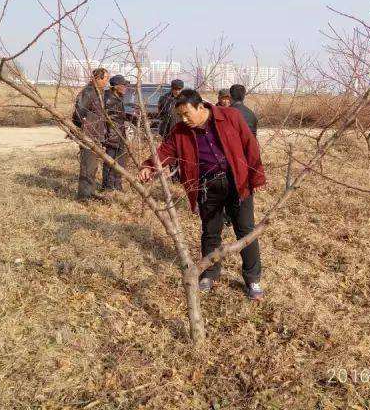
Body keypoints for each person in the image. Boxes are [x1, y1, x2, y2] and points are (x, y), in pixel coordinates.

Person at [139, 89, 266, 300]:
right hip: (207, 186)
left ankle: (253, 279)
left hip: (237, 181)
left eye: (187, 113)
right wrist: (149, 166)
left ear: (200, 107)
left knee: (245, 232)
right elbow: (166, 151)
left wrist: (257, 177)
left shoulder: (229, 116)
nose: (184, 119)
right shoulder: (181, 131)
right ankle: (210, 273)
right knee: (210, 232)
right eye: (180, 115)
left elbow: (249, 146)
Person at [72, 67, 110, 201]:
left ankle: (91, 192)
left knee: (93, 166)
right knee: (87, 166)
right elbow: (78, 113)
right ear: (98, 78)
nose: (107, 82)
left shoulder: (98, 92)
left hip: (96, 135)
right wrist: (83, 129)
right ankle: (83, 196)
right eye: (106, 79)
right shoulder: (88, 92)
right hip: (88, 135)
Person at [102, 75, 130, 191]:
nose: (126, 88)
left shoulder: (117, 97)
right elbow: (109, 119)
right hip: (112, 136)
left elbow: (119, 116)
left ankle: (117, 185)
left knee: (121, 161)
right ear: (116, 87)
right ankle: (108, 187)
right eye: (124, 85)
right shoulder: (108, 99)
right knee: (110, 162)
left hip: (119, 135)